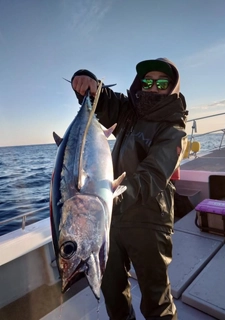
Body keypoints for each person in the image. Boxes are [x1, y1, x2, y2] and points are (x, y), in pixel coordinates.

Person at [71, 58, 188, 320]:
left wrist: (111, 198)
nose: (153, 87)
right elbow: (104, 101)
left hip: (149, 221)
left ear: (172, 87)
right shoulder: (129, 112)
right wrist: (87, 81)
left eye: (161, 83)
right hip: (111, 218)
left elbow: (153, 175)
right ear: (140, 85)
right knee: (113, 293)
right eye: (148, 82)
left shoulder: (174, 128)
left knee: (156, 301)